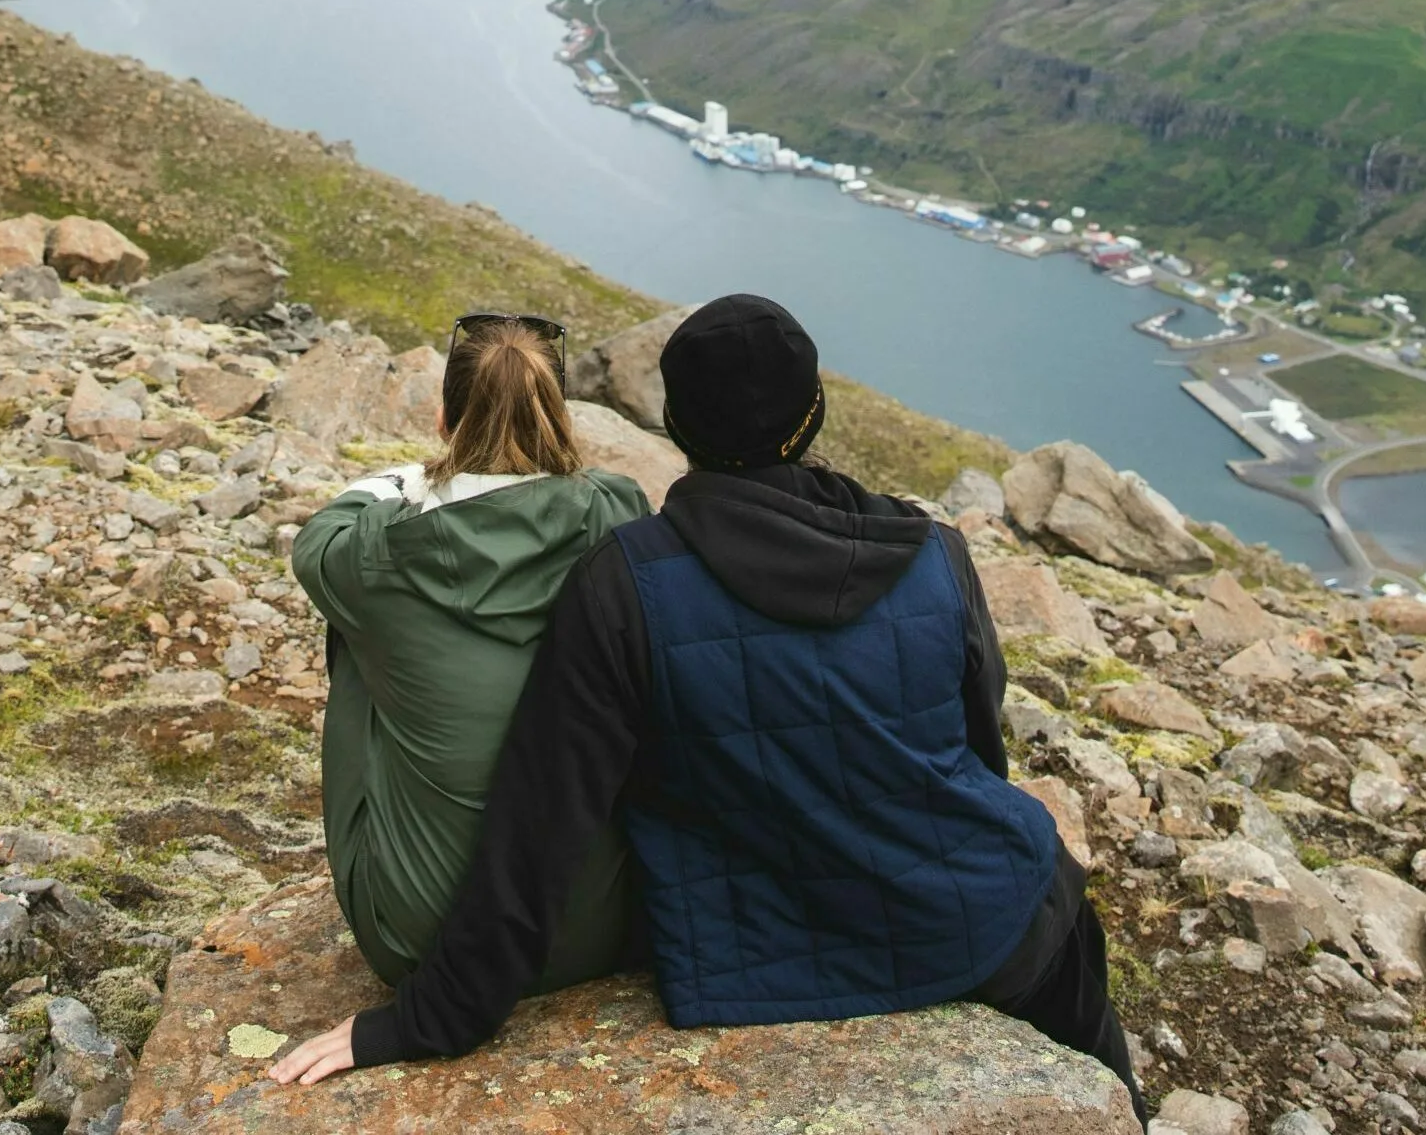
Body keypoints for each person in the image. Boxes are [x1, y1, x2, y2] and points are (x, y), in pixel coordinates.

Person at [273, 295, 1148, 1127]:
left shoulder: (626, 583)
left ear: (677, 426)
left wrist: (429, 1017)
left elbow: (542, 819)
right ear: (813, 417)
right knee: (1102, 1047)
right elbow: (975, 744)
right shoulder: (933, 550)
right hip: (989, 914)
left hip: (757, 951)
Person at [290, 312, 652, 996]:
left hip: (424, 942)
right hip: (600, 928)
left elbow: (320, 537)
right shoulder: (616, 515)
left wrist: (411, 477)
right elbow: (603, 483)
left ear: (443, 418)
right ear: (557, 415)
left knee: (361, 633)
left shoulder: (372, 554)